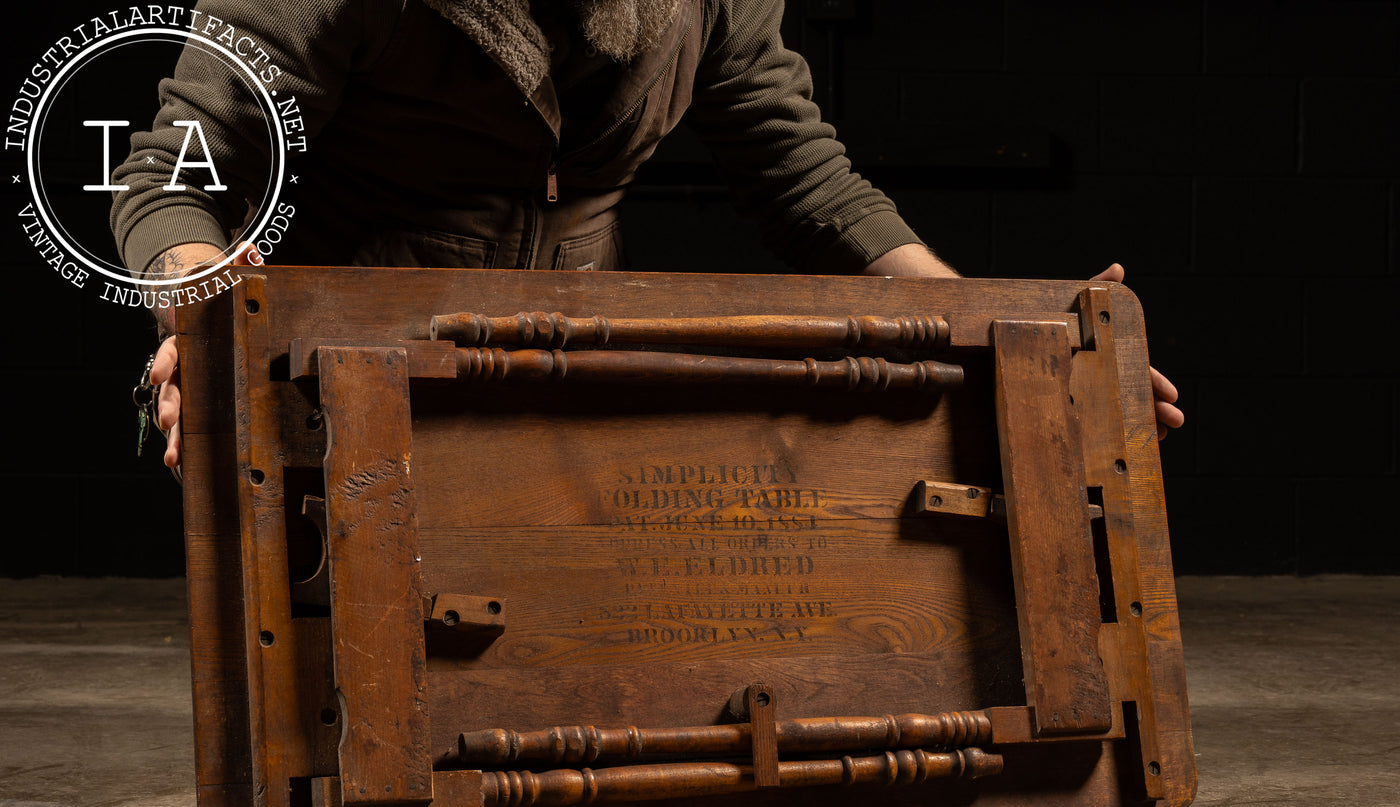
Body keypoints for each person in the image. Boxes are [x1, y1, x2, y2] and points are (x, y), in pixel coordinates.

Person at [114, 0, 1183, 468]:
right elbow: (173, 170)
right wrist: (206, 310)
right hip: (357, 371)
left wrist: (996, 338)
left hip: (587, 367)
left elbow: (801, 174)